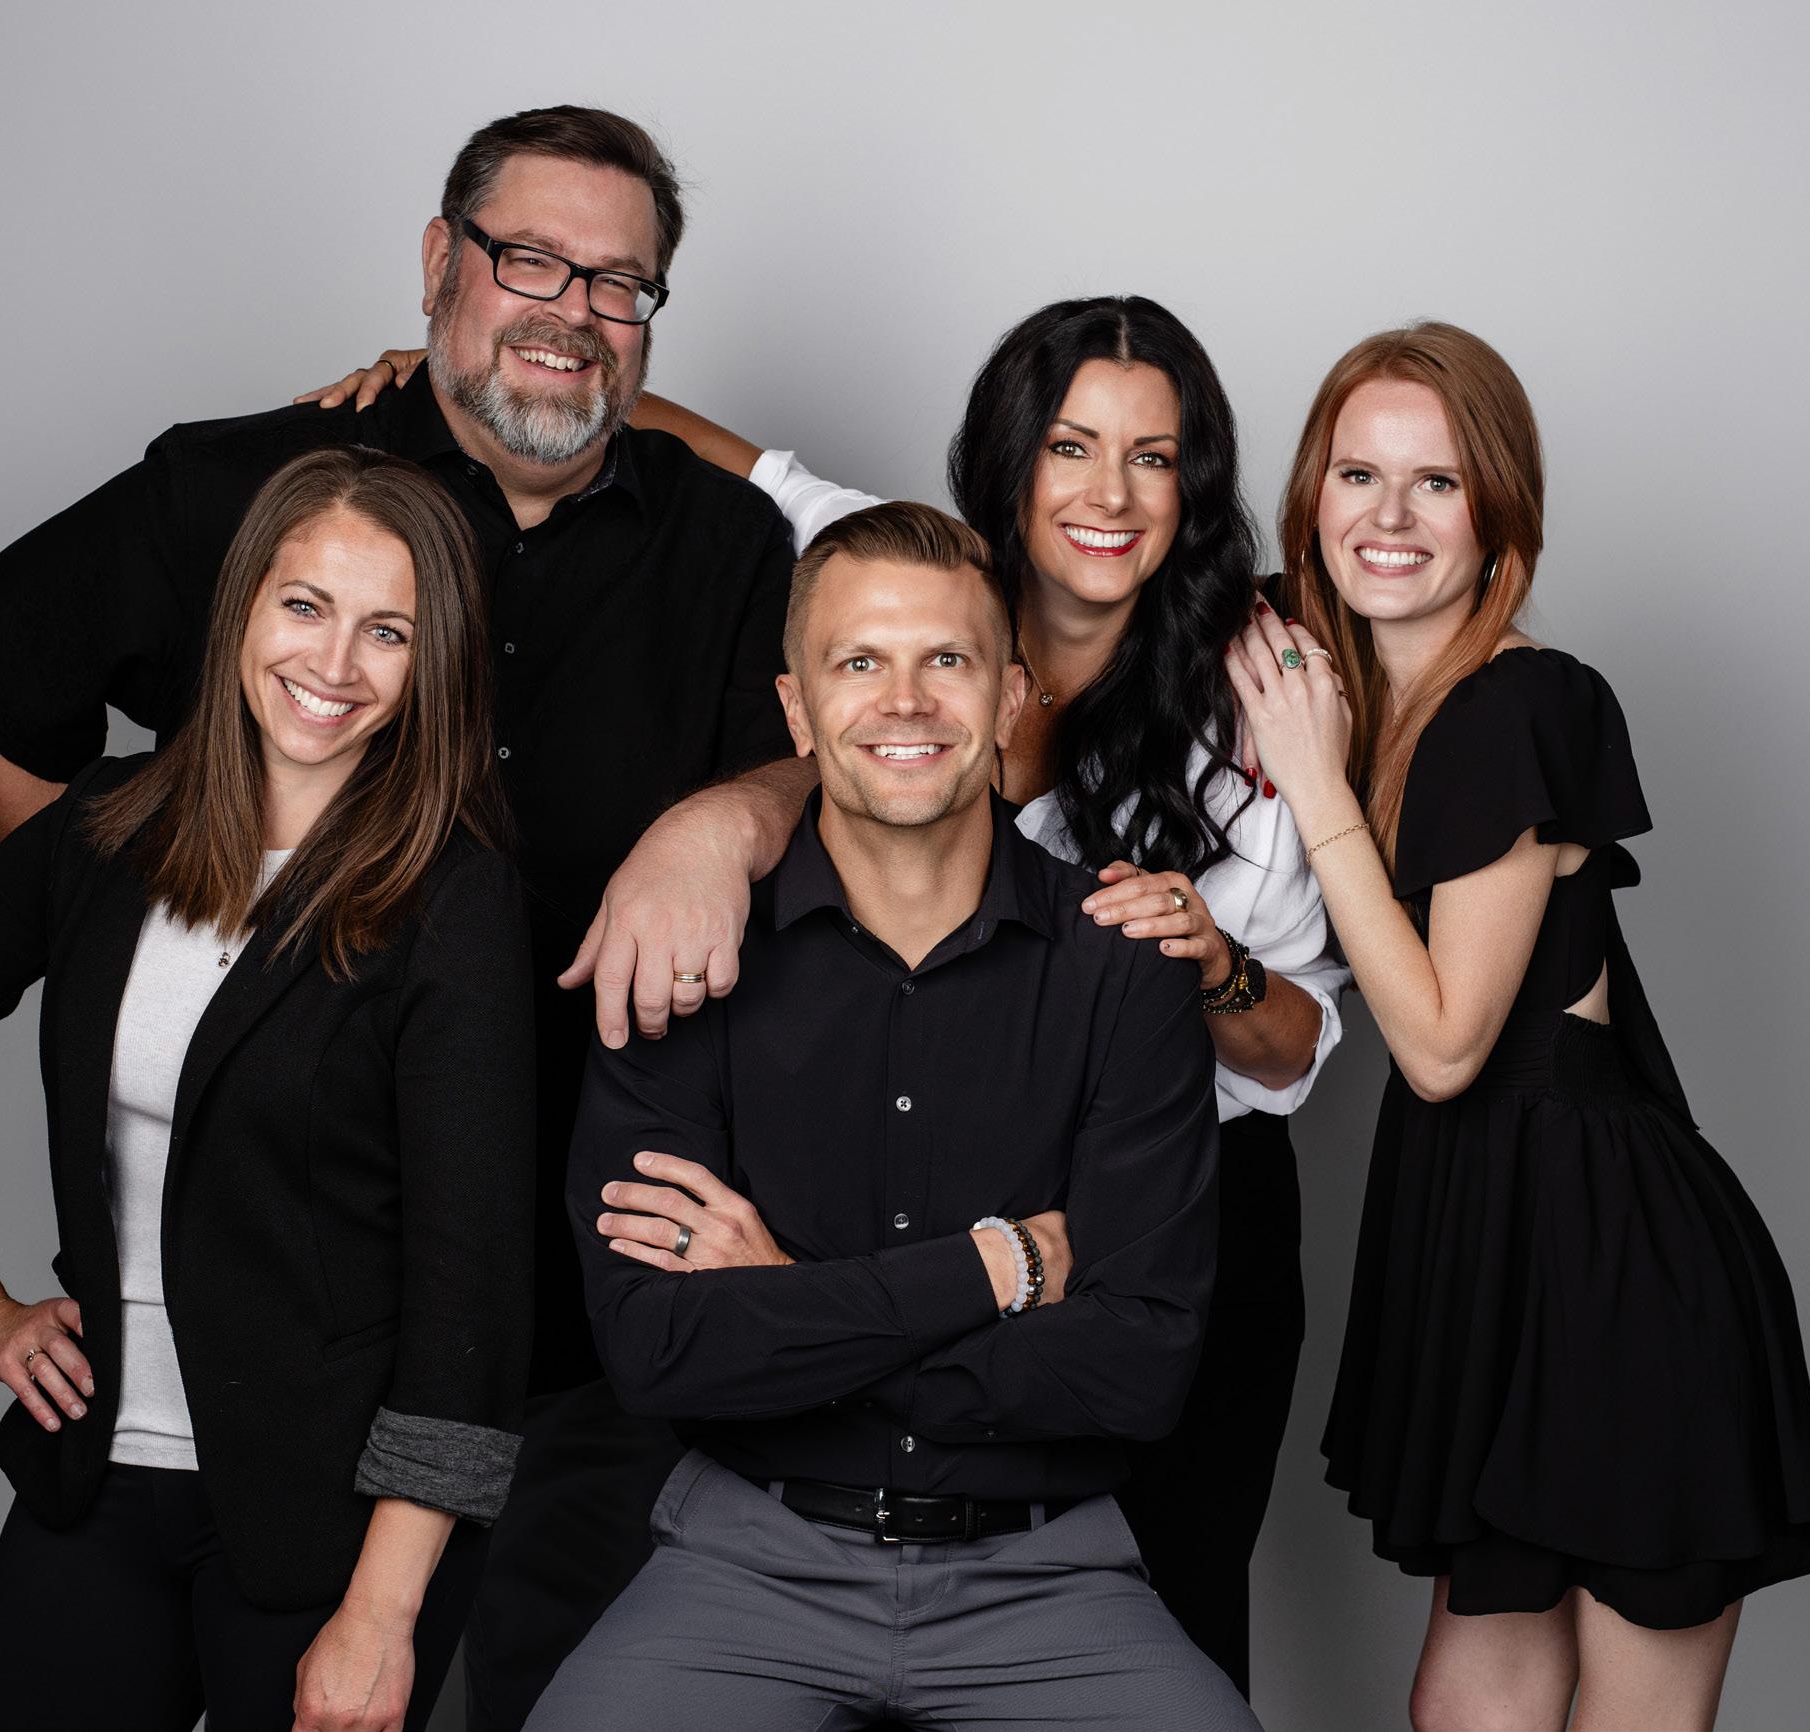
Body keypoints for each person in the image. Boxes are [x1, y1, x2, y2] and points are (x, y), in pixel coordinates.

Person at [0, 106, 813, 1726]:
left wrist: (731, 813)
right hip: (258, 1324)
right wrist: (138, 932)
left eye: (616, 283)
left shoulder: (729, 545)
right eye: (526, 258)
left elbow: (875, 745)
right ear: (437, 262)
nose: (569, 309)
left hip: (582, 1320)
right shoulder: (247, 490)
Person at [305, 293, 1346, 1692]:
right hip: (911, 1169)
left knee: (1162, 1605)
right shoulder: (897, 571)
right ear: (1008, 460)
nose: (1107, 493)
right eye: (1069, 446)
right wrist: (447, 383)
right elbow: (676, 440)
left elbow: (1288, 1055)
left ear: (1192, 486)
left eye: (1151, 458)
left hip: (1159, 1193)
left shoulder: (1249, 692)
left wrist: (1209, 966)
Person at [526, 500, 1261, 1730]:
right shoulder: (684, 953)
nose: (905, 702)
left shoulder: (1125, 968)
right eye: (859, 662)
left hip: (1046, 1573)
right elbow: (658, 1349)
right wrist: (998, 1267)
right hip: (746, 1560)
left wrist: (786, 1302)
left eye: (947, 660)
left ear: (1011, 699)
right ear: (797, 710)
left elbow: (1135, 1371)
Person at [0, 448, 532, 1730]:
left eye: (388, 632)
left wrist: (381, 1618)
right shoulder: (107, 828)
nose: (334, 664)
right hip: (96, 1476)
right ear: (242, 607)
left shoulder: (456, 900)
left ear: (431, 664)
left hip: (336, 1528)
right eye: (305, 606)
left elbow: (469, 1299)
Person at [1230, 323, 1810, 1732]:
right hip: (1484, 1253)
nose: (1387, 517)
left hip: (1606, 1263)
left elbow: (1443, 1047)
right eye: (1356, 476)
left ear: (1496, 513)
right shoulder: (1339, 681)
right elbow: (1081, 578)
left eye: (1434, 483)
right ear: (1310, 499)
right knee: (1468, 1704)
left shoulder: (1521, 703)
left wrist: (1315, 790)